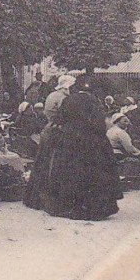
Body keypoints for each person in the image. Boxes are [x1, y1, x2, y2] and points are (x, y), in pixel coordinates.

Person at [24, 88, 122, 221]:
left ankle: (71, 204)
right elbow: (100, 122)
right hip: (94, 142)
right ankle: (99, 206)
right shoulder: (92, 103)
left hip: (72, 141)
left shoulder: (69, 104)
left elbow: (60, 118)